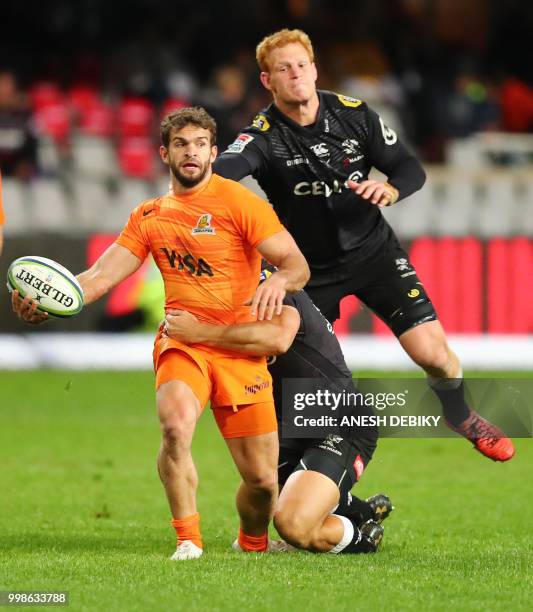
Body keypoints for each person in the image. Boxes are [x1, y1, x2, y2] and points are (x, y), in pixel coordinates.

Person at [11, 107, 310, 560]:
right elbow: (98, 277)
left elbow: (297, 265)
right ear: (164, 153)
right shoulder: (150, 215)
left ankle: (252, 541)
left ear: (213, 151)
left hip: (237, 347)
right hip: (182, 341)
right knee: (174, 427)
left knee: (263, 483)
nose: (191, 153)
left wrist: (278, 280)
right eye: (181, 145)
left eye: (199, 145)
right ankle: (187, 540)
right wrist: (52, 302)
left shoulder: (241, 203)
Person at [213, 28, 514, 463]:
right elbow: (227, 169)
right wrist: (198, 170)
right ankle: (294, 484)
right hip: (306, 272)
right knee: (304, 390)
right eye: (284, 69)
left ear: (314, 69)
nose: (296, 74)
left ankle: (460, 414)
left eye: (302, 65)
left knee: (436, 357)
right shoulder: (263, 135)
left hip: (375, 255)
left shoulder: (355, 115)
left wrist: (391, 191)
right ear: (267, 81)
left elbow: (409, 168)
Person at [164, 269, 393, 555]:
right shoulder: (218, 286)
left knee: (293, 524)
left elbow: (279, 338)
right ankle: (358, 510)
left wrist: (199, 332)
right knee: (258, 485)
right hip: (290, 422)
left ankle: (364, 537)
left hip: (338, 420)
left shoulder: (265, 280)